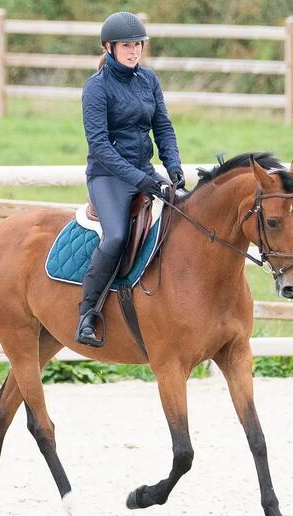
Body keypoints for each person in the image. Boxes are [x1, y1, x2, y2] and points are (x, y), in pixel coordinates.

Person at [75, 11, 186, 348]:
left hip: (143, 171)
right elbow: (100, 145)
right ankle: (88, 314)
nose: (134, 50)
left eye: (138, 44)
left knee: (184, 219)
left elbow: (163, 126)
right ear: (110, 47)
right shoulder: (96, 89)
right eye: (127, 45)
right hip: (108, 176)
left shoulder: (148, 80)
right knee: (116, 237)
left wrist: (174, 164)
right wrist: (140, 179)